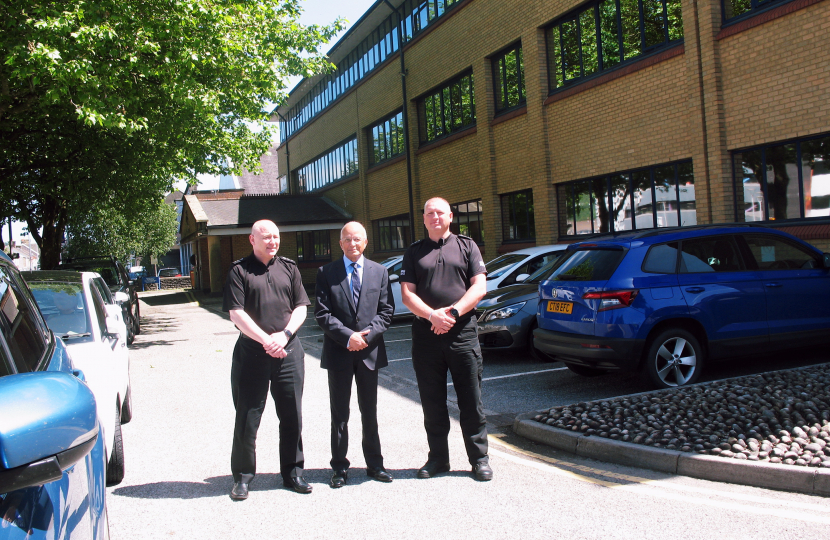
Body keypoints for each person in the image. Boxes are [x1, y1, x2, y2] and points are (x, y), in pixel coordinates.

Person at [400, 197, 492, 481]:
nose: (435, 217)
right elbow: (407, 294)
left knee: (471, 400)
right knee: (432, 402)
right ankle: (438, 459)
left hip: (462, 333)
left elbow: (480, 287)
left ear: (450, 216)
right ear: (424, 218)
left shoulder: (467, 246)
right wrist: (432, 317)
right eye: (429, 213)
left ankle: (479, 459)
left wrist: (451, 313)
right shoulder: (414, 251)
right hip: (427, 336)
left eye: (440, 212)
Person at [222, 219, 311, 500]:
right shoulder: (239, 271)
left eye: (276, 237)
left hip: (288, 352)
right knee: (247, 417)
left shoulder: (289, 268)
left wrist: (283, 336)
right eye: (266, 237)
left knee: (292, 416)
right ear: (252, 240)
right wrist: (266, 340)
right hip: (252, 354)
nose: (273, 241)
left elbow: (301, 308)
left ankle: (293, 473)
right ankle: (243, 478)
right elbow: (236, 314)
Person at [315, 221, 395, 488]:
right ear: (340, 244)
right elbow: (322, 313)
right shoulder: (326, 272)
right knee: (340, 414)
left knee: (369, 412)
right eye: (347, 240)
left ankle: (375, 465)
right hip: (339, 352)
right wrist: (348, 336)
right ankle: (339, 468)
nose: (353, 244)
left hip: (368, 353)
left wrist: (366, 336)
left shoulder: (379, 272)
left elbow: (386, 312)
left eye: (357, 239)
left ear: (365, 242)